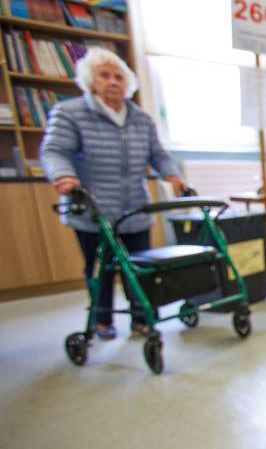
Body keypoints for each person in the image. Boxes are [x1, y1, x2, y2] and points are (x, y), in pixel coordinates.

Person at [40, 47, 187, 339]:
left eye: (118, 76)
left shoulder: (140, 119)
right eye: (104, 75)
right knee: (100, 269)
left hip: (134, 207)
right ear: (90, 81)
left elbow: (158, 154)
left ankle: (142, 317)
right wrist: (63, 176)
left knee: (141, 266)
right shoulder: (70, 113)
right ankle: (102, 320)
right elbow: (55, 151)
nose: (112, 82)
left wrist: (172, 175)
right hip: (93, 209)